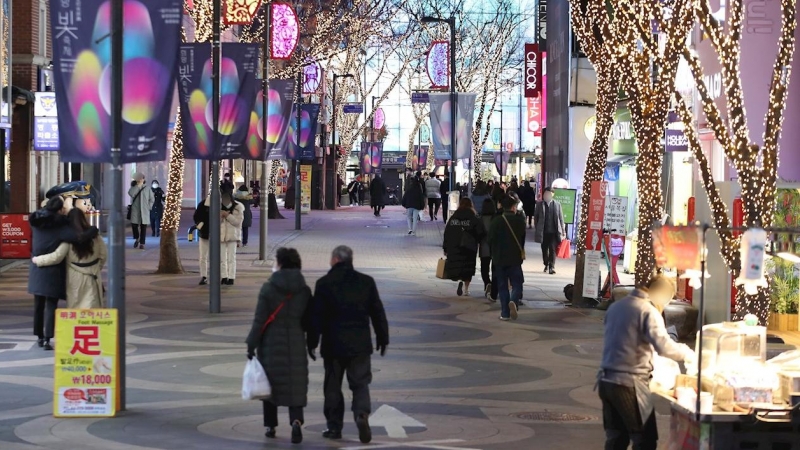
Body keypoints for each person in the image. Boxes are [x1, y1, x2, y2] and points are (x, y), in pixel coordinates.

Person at [598, 274, 695, 450]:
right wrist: (687, 353)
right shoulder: (647, 311)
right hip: (630, 384)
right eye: (667, 300)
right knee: (645, 439)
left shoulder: (616, 307)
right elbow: (664, 347)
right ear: (661, 294)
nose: (665, 305)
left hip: (606, 381)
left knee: (617, 437)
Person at [307, 246, 389, 444]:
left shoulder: (324, 283)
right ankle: (361, 414)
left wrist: (311, 342)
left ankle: (334, 428)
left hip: (333, 345)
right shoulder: (366, 282)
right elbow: (377, 312)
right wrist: (382, 337)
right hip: (359, 344)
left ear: (335, 260)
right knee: (360, 383)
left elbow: (315, 316)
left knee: (333, 386)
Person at [245, 248, 312, 444]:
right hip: (296, 342)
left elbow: (259, 320)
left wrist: (251, 344)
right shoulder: (304, 290)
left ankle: (270, 425)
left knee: (270, 385)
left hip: (270, 344)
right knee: (296, 384)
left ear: (280, 263)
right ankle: (296, 422)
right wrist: (312, 342)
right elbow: (310, 321)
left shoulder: (268, 288)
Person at [28, 189, 98, 350]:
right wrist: (93, 230)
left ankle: (39, 336)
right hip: (52, 269)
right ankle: (47, 338)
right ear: (60, 209)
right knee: (51, 304)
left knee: (38, 304)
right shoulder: (60, 225)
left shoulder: (36, 221)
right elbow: (78, 237)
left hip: (36, 266)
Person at [32, 208, 107, 310]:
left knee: (77, 308)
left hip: (74, 277)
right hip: (93, 275)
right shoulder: (95, 236)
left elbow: (56, 257)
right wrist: (96, 267)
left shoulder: (69, 239)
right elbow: (103, 255)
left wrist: (37, 260)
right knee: (92, 306)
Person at [488, 195, 526, 321]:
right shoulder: (520, 221)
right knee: (517, 283)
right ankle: (514, 301)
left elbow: (490, 239)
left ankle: (505, 313)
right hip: (515, 258)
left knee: (502, 286)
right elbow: (522, 240)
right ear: (513, 207)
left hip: (499, 259)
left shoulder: (496, 221)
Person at [443, 198, 486, 297]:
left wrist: (445, 247)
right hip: (469, 247)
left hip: (454, 246)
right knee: (468, 267)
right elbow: (481, 232)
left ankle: (459, 280)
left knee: (457, 265)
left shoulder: (454, 217)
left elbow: (447, 233)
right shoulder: (473, 217)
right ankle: (466, 288)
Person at [534, 187, 567, 275]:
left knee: (553, 249)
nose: (547, 195)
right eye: (546, 193)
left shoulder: (557, 204)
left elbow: (561, 218)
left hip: (554, 232)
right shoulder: (540, 204)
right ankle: (546, 263)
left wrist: (563, 231)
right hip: (543, 232)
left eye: (549, 193)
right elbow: (536, 217)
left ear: (552, 194)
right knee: (544, 249)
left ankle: (552, 266)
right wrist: (537, 228)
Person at [220, 183, 244, 285]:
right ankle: (223, 276)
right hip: (221, 235)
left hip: (232, 235)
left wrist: (227, 216)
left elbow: (238, 222)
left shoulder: (238, 207)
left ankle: (231, 277)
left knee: (231, 257)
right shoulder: (218, 207)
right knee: (222, 258)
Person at [128, 172, 154, 250]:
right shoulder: (133, 187)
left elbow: (152, 199)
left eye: (141, 178)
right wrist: (137, 186)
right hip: (135, 209)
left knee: (143, 227)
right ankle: (137, 238)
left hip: (145, 210)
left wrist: (149, 207)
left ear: (143, 179)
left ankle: (142, 243)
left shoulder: (147, 188)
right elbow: (131, 194)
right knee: (134, 225)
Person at [479, 198, 497, 301]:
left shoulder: (480, 218)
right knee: (495, 269)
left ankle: (487, 283)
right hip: (495, 247)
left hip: (484, 247)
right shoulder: (497, 218)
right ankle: (493, 288)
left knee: (484, 268)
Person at [193, 195, 211, 285]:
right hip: (204, 234)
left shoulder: (221, 204)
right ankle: (204, 276)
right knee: (203, 256)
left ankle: (222, 275)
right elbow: (196, 217)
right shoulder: (202, 205)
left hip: (218, 235)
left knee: (219, 257)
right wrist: (200, 225)